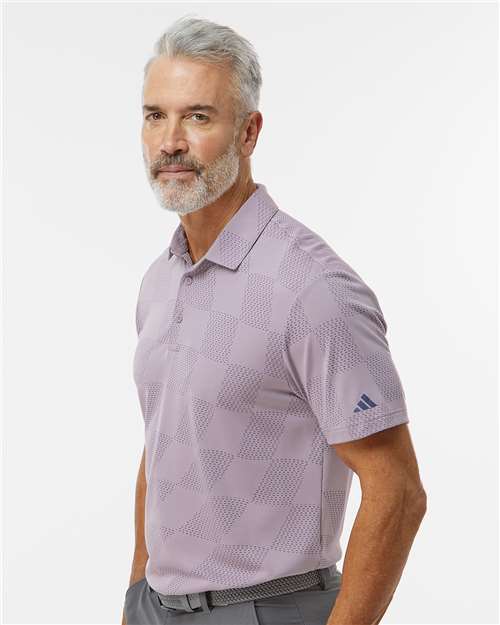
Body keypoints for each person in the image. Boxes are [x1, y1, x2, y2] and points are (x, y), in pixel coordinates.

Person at [122, 14, 427, 625]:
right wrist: (137, 594)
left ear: (249, 132)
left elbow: (397, 490)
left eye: (198, 117)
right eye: (156, 115)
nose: (170, 141)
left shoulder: (312, 289)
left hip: (267, 610)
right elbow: (165, 443)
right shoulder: (162, 278)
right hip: (157, 606)